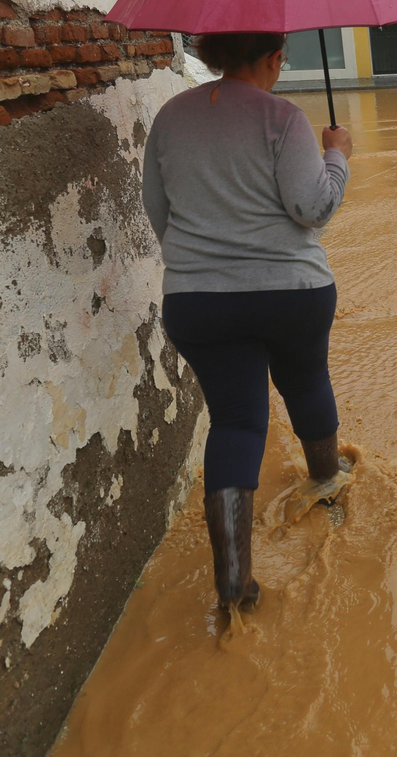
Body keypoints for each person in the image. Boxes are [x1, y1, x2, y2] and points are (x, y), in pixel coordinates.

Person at [141, 31, 353, 615]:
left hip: (199, 299)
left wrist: (202, 265)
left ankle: (234, 580)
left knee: (236, 423)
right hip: (292, 292)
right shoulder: (284, 119)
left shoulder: (169, 118)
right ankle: (327, 484)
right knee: (306, 382)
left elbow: (157, 210)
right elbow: (313, 209)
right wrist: (337, 154)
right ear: (271, 57)